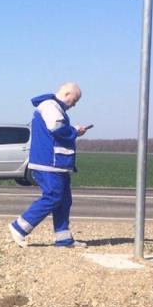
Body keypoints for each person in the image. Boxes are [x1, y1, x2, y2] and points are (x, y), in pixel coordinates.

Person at [9, 82, 91, 248]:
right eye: (74, 100)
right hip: (49, 162)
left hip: (57, 164)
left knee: (63, 200)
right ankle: (20, 227)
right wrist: (75, 131)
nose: (74, 105)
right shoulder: (50, 106)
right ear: (67, 94)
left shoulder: (51, 106)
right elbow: (56, 127)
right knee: (53, 196)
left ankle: (63, 238)